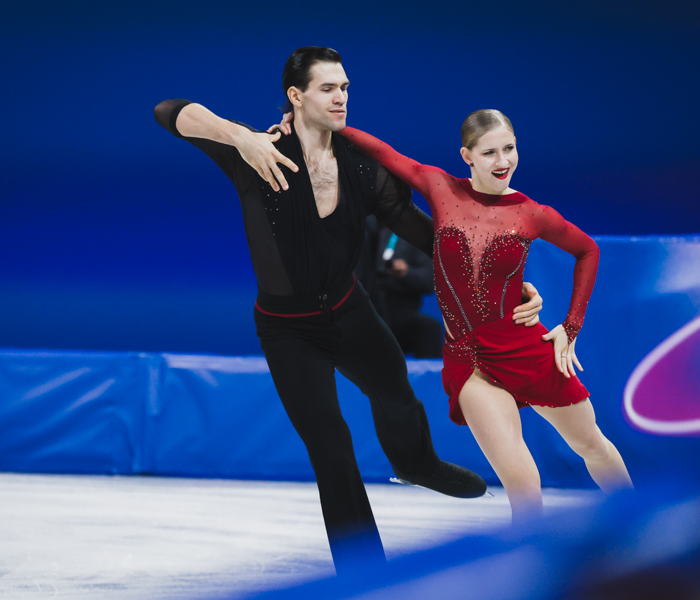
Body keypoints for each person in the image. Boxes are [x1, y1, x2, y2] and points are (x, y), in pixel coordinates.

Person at [153, 47, 543, 571]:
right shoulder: (258, 152)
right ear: (296, 96)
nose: (340, 98)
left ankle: (418, 464)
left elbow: (424, 233)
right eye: (327, 89)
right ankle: (364, 574)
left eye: (344, 88)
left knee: (396, 392)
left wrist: (501, 279)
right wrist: (240, 137)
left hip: (348, 310)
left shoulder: (361, 167)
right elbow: (167, 111)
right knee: (331, 447)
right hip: (288, 331)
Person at [328, 109, 633, 522]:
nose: (502, 161)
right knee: (521, 480)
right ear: (467, 156)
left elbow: (587, 250)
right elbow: (383, 152)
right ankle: (530, 555)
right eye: (490, 152)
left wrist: (571, 326)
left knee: (591, 445)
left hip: (525, 348)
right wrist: (323, 122)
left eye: (509, 149)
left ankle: (640, 526)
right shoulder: (439, 186)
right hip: (468, 359)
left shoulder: (532, 212)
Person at [357, 214, 444, 358]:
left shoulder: (415, 236)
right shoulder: (361, 230)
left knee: (429, 328)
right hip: (364, 308)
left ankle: (428, 373)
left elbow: (429, 279)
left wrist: (406, 273)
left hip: (399, 310)